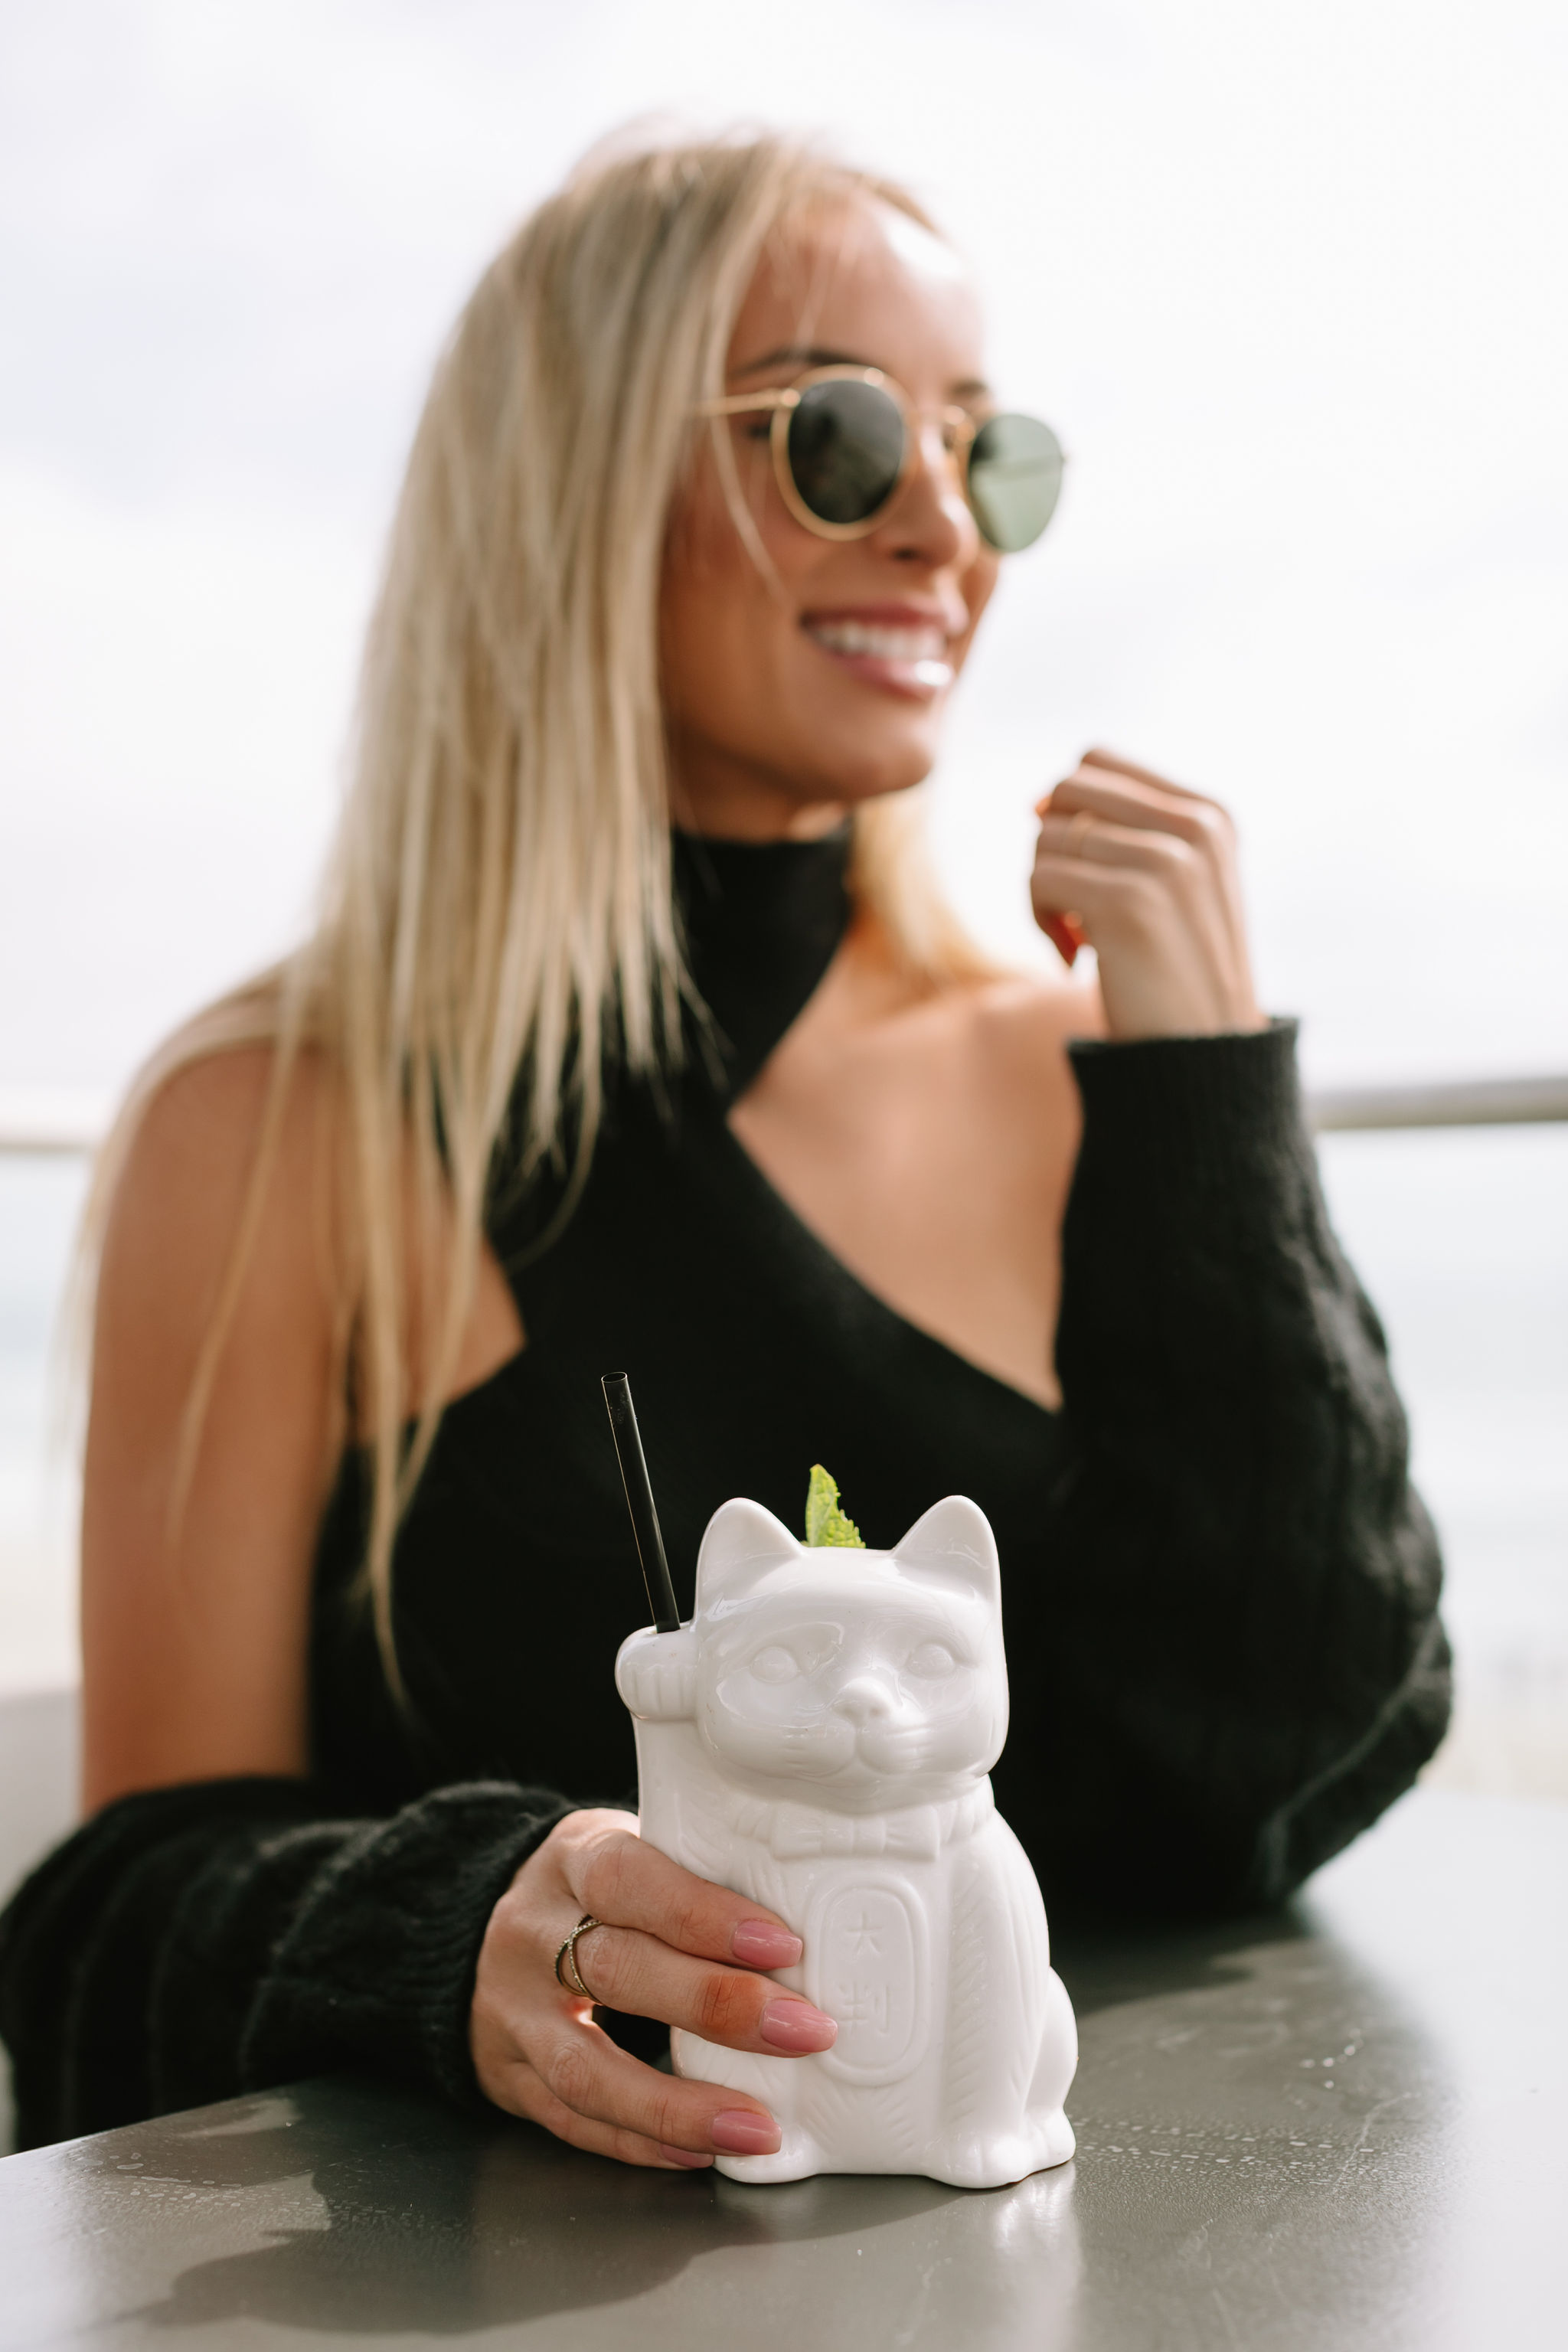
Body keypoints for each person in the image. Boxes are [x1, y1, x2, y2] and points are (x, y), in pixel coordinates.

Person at [0, 133, 1449, 2164]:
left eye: (988, 449)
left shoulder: (1082, 1076)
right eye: (839, 438)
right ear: (577, 484)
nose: (945, 524)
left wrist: (1212, 1101)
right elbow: (111, 1921)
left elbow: (1296, 1771)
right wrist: (460, 1930)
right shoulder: (273, 1121)